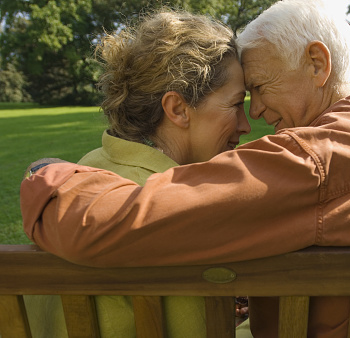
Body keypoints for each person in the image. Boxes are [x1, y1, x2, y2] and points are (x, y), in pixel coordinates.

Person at [20, 0, 350, 337]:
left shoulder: (315, 161)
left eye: (258, 88)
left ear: (317, 63)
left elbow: (99, 223)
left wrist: (45, 171)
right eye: (242, 98)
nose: (255, 114)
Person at [23, 9, 252, 338]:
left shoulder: (80, 171)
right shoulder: (177, 207)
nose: (245, 125)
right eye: (235, 104)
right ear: (177, 109)